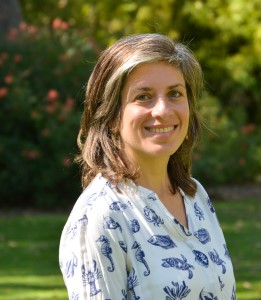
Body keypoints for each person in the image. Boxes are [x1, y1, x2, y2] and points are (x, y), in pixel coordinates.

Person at [59, 33, 236, 299]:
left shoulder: (195, 196)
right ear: (111, 116)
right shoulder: (100, 216)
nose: (163, 110)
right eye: (143, 97)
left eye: (175, 93)